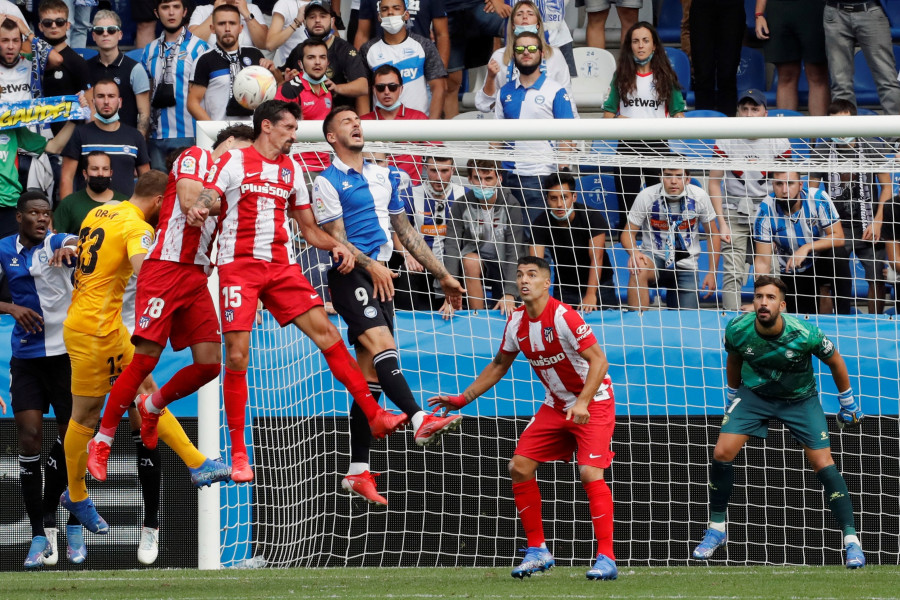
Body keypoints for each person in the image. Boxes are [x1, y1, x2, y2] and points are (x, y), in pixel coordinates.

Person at [188, 100, 407, 483]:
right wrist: (201, 208)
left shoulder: (291, 170)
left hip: (282, 268)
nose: (294, 135)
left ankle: (373, 414)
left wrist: (334, 245)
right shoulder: (236, 161)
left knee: (328, 333)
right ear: (268, 126)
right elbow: (210, 195)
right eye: (290, 128)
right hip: (239, 268)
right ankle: (238, 453)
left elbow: (308, 228)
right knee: (237, 356)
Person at [59, 171, 221, 565]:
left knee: (145, 390)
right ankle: (76, 495)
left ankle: (196, 462)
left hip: (98, 322)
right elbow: (150, 270)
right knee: (85, 415)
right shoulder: (138, 228)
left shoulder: (102, 211)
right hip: (96, 331)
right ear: (163, 201)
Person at [86, 127, 260, 487]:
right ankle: (101, 441)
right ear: (229, 144)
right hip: (165, 269)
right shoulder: (197, 157)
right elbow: (188, 202)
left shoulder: (237, 184)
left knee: (211, 364)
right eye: (244, 150)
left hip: (197, 276)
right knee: (145, 359)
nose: (247, 160)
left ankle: (152, 407)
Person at [429, 255, 618, 580]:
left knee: (589, 473)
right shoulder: (516, 322)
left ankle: (607, 558)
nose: (524, 280)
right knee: (519, 466)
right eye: (519, 275)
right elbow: (499, 365)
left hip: (594, 402)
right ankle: (537, 550)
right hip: (556, 405)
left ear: (547, 282)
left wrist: (583, 402)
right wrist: (462, 399)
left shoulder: (564, 317)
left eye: (532, 274)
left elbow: (599, 362)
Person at [313, 106, 466, 505]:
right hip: (350, 274)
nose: (356, 125)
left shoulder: (386, 176)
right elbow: (336, 240)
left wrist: (442, 275)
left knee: (371, 383)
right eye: (347, 123)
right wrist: (372, 268)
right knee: (383, 346)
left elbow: (405, 231)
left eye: (357, 121)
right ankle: (419, 418)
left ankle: (357, 471)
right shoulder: (327, 182)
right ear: (331, 137)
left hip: (382, 273)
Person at [692, 275, 865, 569]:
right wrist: (733, 394)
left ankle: (852, 542)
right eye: (759, 296)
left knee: (824, 464)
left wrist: (847, 401)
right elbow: (734, 360)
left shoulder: (805, 333)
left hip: (800, 399)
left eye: (770, 298)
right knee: (721, 452)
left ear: (781, 305)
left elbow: (835, 360)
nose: (763, 302)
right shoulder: (737, 329)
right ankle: (716, 529)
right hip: (754, 395)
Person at [0, 191, 78, 568]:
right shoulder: (3, 249)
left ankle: (66, 514)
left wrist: (71, 245)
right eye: (34, 213)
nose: (42, 219)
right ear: (19, 217)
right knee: (29, 436)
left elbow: (74, 242)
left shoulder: (57, 242)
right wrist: (10, 307)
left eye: (46, 213)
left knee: (72, 439)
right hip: (27, 359)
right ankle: (36, 534)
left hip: (66, 357)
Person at [708, 89, 791, 311]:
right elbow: (714, 182)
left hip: (766, 212)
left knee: (771, 272)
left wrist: (777, 222)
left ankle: (772, 322)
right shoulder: (726, 137)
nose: (748, 114)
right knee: (732, 272)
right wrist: (722, 221)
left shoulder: (779, 139)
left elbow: (785, 185)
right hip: (733, 210)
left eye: (754, 109)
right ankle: (732, 326)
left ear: (765, 113)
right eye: (744, 109)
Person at [809, 100, 890, 315]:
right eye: (835, 124)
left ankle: (875, 326)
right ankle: (833, 326)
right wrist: (825, 226)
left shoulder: (872, 143)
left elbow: (887, 187)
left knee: (877, 278)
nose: (842, 130)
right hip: (837, 228)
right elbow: (812, 192)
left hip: (869, 224)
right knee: (827, 282)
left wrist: (878, 219)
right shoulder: (823, 148)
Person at [602, 21, 685, 231]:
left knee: (659, 214)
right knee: (627, 215)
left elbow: (679, 115)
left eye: (645, 41)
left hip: (658, 148)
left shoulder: (666, 77)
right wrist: (623, 122)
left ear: (654, 45)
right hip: (627, 148)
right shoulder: (620, 77)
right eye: (636, 41)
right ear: (630, 46)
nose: (640, 46)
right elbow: (608, 116)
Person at [494, 31, 575, 226]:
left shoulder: (555, 90)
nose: (526, 53)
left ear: (541, 53)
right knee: (510, 239)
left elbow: (567, 137)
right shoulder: (504, 91)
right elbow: (495, 139)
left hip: (541, 176)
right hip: (508, 177)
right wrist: (496, 175)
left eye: (531, 48)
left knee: (538, 240)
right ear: (513, 55)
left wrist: (561, 174)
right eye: (520, 48)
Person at [753, 168, 853, 315]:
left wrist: (806, 248)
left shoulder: (818, 198)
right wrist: (761, 299)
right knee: (804, 319)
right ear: (773, 186)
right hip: (790, 270)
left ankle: (844, 319)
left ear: (800, 185)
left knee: (838, 254)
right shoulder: (764, 211)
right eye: (779, 184)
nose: (785, 190)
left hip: (818, 261)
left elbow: (838, 237)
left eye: (790, 183)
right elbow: (762, 261)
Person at [619, 167, 720, 310]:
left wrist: (712, 272)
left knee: (687, 322)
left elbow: (713, 234)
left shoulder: (700, 196)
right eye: (668, 176)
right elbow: (627, 232)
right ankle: (638, 324)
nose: (673, 181)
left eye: (679, 176)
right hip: (654, 257)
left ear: (688, 179)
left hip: (687, 262)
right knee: (638, 268)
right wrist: (634, 252)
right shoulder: (646, 195)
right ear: (660, 177)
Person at [441, 158, 525, 317]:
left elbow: (514, 250)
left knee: (508, 306)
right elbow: (451, 246)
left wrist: (510, 293)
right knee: (470, 260)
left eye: (488, 179)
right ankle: (477, 316)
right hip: (478, 262)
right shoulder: (460, 205)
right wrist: (450, 291)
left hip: (505, 263)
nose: (483, 184)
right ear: (470, 179)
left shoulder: (511, 204)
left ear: (499, 179)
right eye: (478, 178)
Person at [531, 172, 618, 310]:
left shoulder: (592, 216)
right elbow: (535, 263)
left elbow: (597, 257)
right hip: (566, 287)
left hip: (600, 286)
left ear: (574, 197)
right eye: (553, 198)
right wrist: (538, 295)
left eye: (564, 197)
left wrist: (590, 294)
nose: (559, 204)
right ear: (547, 199)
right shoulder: (540, 223)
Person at [141, 0, 209, 171]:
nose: (171, 13)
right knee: (158, 194)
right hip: (157, 137)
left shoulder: (200, 48)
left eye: (176, 7)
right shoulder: (149, 50)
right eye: (165, 8)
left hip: (190, 135)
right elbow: (146, 94)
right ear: (157, 13)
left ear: (184, 11)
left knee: (187, 193)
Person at [475, 0, 572, 114]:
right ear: (512, 25)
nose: (525, 17)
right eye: (519, 14)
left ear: (538, 24)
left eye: (530, 14)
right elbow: (483, 105)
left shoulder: (554, 55)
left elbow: (568, 98)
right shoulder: (499, 56)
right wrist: (491, 78)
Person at [59, 79, 151, 199]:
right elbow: (66, 177)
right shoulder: (80, 133)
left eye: (111, 96)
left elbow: (147, 181)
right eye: (101, 96)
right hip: (87, 213)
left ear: (120, 102)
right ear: (93, 101)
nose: (106, 102)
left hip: (125, 213)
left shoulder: (135, 136)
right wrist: (67, 212)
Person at [188, 3, 280, 122]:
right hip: (221, 134)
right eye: (221, 23)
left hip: (253, 133)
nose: (227, 28)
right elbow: (192, 103)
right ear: (212, 29)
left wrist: (273, 72)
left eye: (232, 23)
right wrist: (213, 130)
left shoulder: (254, 54)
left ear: (241, 28)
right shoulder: (205, 59)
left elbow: (273, 92)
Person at [395, 154, 464, 310]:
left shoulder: (463, 195)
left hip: (454, 263)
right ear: (425, 169)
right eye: (434, 170)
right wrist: (407, 254)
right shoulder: (410, 194)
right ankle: (406, 320)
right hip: (420, 261)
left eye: (444, 171)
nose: (439, 177)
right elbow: (397, 232)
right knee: (408, 270)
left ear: (453, 170)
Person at [359, 0, 447, 118]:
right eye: (384, 9)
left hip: (418, 126)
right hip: (381, 129)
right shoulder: (368, 49)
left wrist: (430, 127)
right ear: (379, 17)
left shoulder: (424, 45)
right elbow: (363, 92)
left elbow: (439, 88)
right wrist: (365, 126)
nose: (390, 13)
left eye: (396, 8)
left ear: (406, 14)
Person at [278, 0, 370, 110]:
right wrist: (283, 77)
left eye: (323, 16)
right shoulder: (299, 49)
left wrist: (336, 88)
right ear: (305, 23)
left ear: (332, 21)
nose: (317, 20)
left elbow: (363, 87)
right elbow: (282, 76)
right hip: (306, 117)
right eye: (312, 17)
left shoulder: (344, 49)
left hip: (340, 117)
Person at [823, 0, 900, 115]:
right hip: (835, 10)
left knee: (887, 80)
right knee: (840, 84)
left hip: (870, 8)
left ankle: (895, 131)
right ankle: (845, 132)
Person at [754, 0, 829, 115]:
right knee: (785, 76)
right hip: (780, 11)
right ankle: (786, 131)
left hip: (814, 9)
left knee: (817, 74)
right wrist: (759, 14)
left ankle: (821, 132)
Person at [87, 10, 152, 137]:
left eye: (111, 30)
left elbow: (144, 113)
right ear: (94, 36)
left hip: (126, 144)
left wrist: (139, 143)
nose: (105, 34)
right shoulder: (85, 68)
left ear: (120, 34)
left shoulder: (135, 69)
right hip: (93, 143)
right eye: (100, 30)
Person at [359, 64, 427, 185]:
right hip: (374, 188)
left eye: (392, 87)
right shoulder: (362, 122)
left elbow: (438, 155)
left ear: (401, 89)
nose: (386, 92)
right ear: (374, 90)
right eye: (381, 88)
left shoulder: (418, 118)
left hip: (412, 190)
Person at [276, 37, 334, 177]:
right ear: (301, 64)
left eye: (322, 57)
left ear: (328, 62)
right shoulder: (290, 90)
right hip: (298, 167)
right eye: (311, 57)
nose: (317, 62)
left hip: (326, 165)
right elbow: (276, 130)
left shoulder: (327, 91)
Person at [442, 0, 505, 118]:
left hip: (479, 6)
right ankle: (452, 135)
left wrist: (498, 1)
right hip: (447, 10)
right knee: (451, 83)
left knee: (516, 25)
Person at [38, 0, 92, 134]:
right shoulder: (31, 58)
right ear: (40, 26)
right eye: (48, 22)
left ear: (68, 25)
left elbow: (90, 107)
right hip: (34, 136)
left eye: (60, 22)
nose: (54, 26)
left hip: (67, 139)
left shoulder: (78, 62)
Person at [354, 0, 449, 72]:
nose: (390, 12)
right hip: (381, 64)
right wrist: (357, 72)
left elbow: (442, 34)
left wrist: (441, 69)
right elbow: (362, 34)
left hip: (420, 64)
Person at [689, 0, 745, 115]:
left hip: (732, 7)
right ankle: (702, 128)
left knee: (728, 74)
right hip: (702, 7)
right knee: (703, 74)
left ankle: (728, 129)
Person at [54, 151, 129, 235]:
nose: (100, 174)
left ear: (111, 173)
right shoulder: (69, 203)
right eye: (94, 169)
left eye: (105, 169)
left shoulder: (125, 203)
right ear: (85, 173)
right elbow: (56, 237)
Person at [188, 0, 269, 49]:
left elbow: (264, 44)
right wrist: (215, 12)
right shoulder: (201, 10)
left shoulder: (252, 8)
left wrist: (246, 13)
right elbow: (190, 43)